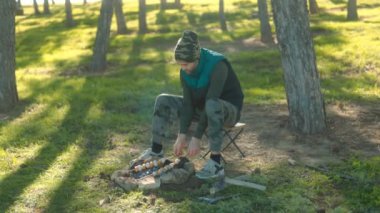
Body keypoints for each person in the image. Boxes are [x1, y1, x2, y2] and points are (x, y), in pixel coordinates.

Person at [134, 30, 244, 180]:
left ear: (196, 58)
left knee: (211, 104)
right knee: (163, 100)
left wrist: (196, 138)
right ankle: (156, 150)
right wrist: (182, 135)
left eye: (186, 64)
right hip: (202, 108)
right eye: (180, 64)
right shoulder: (185, 71)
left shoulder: (218, 65)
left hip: (228, 111)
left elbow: (211, 101)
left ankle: (216, 162)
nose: (183, 68)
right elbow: (187, 104)